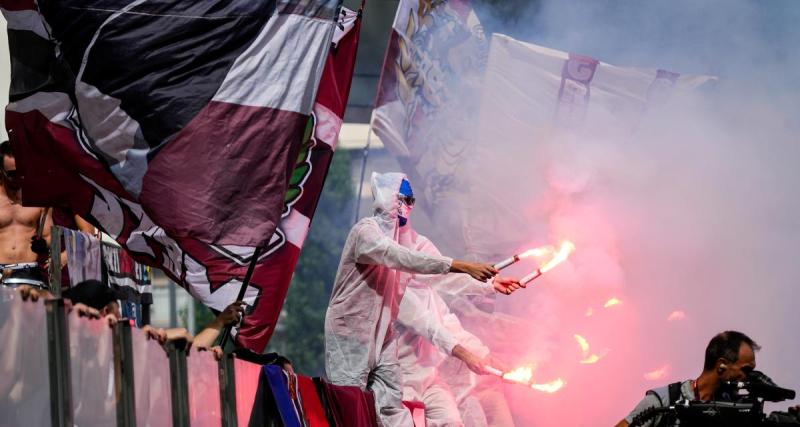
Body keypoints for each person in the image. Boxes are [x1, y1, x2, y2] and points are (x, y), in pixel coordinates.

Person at [325, 172, 511, 427]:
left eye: (411, 200)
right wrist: (461, 265)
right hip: (352, 334)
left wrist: (489, 285)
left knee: (395, 410)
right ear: (386, 198)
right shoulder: (365, 233)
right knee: (349, 403)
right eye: (402, 198)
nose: (407, 206)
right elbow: (399, 258)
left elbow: (441, 278)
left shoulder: (416, 244)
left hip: (385, 338)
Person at [396, 280, 512, 427]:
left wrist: (484, 355)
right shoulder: (395, 287)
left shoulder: (427, 289)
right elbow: (430, 328)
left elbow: (448, 325)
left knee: (452, 422)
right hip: (399, 380)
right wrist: (467, 356)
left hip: (430, 379)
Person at [615, 330, 760, 427]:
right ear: (721, 365)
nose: (747, 377)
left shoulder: (734, 411)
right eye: (745, 369)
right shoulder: (665, 400)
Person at [0, 140, 51, 288]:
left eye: (21, 172)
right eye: (12, 174)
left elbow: (48, 237)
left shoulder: (39, 199)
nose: (17, 178)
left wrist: (43, 245)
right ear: (1, 170)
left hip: (30, 274)